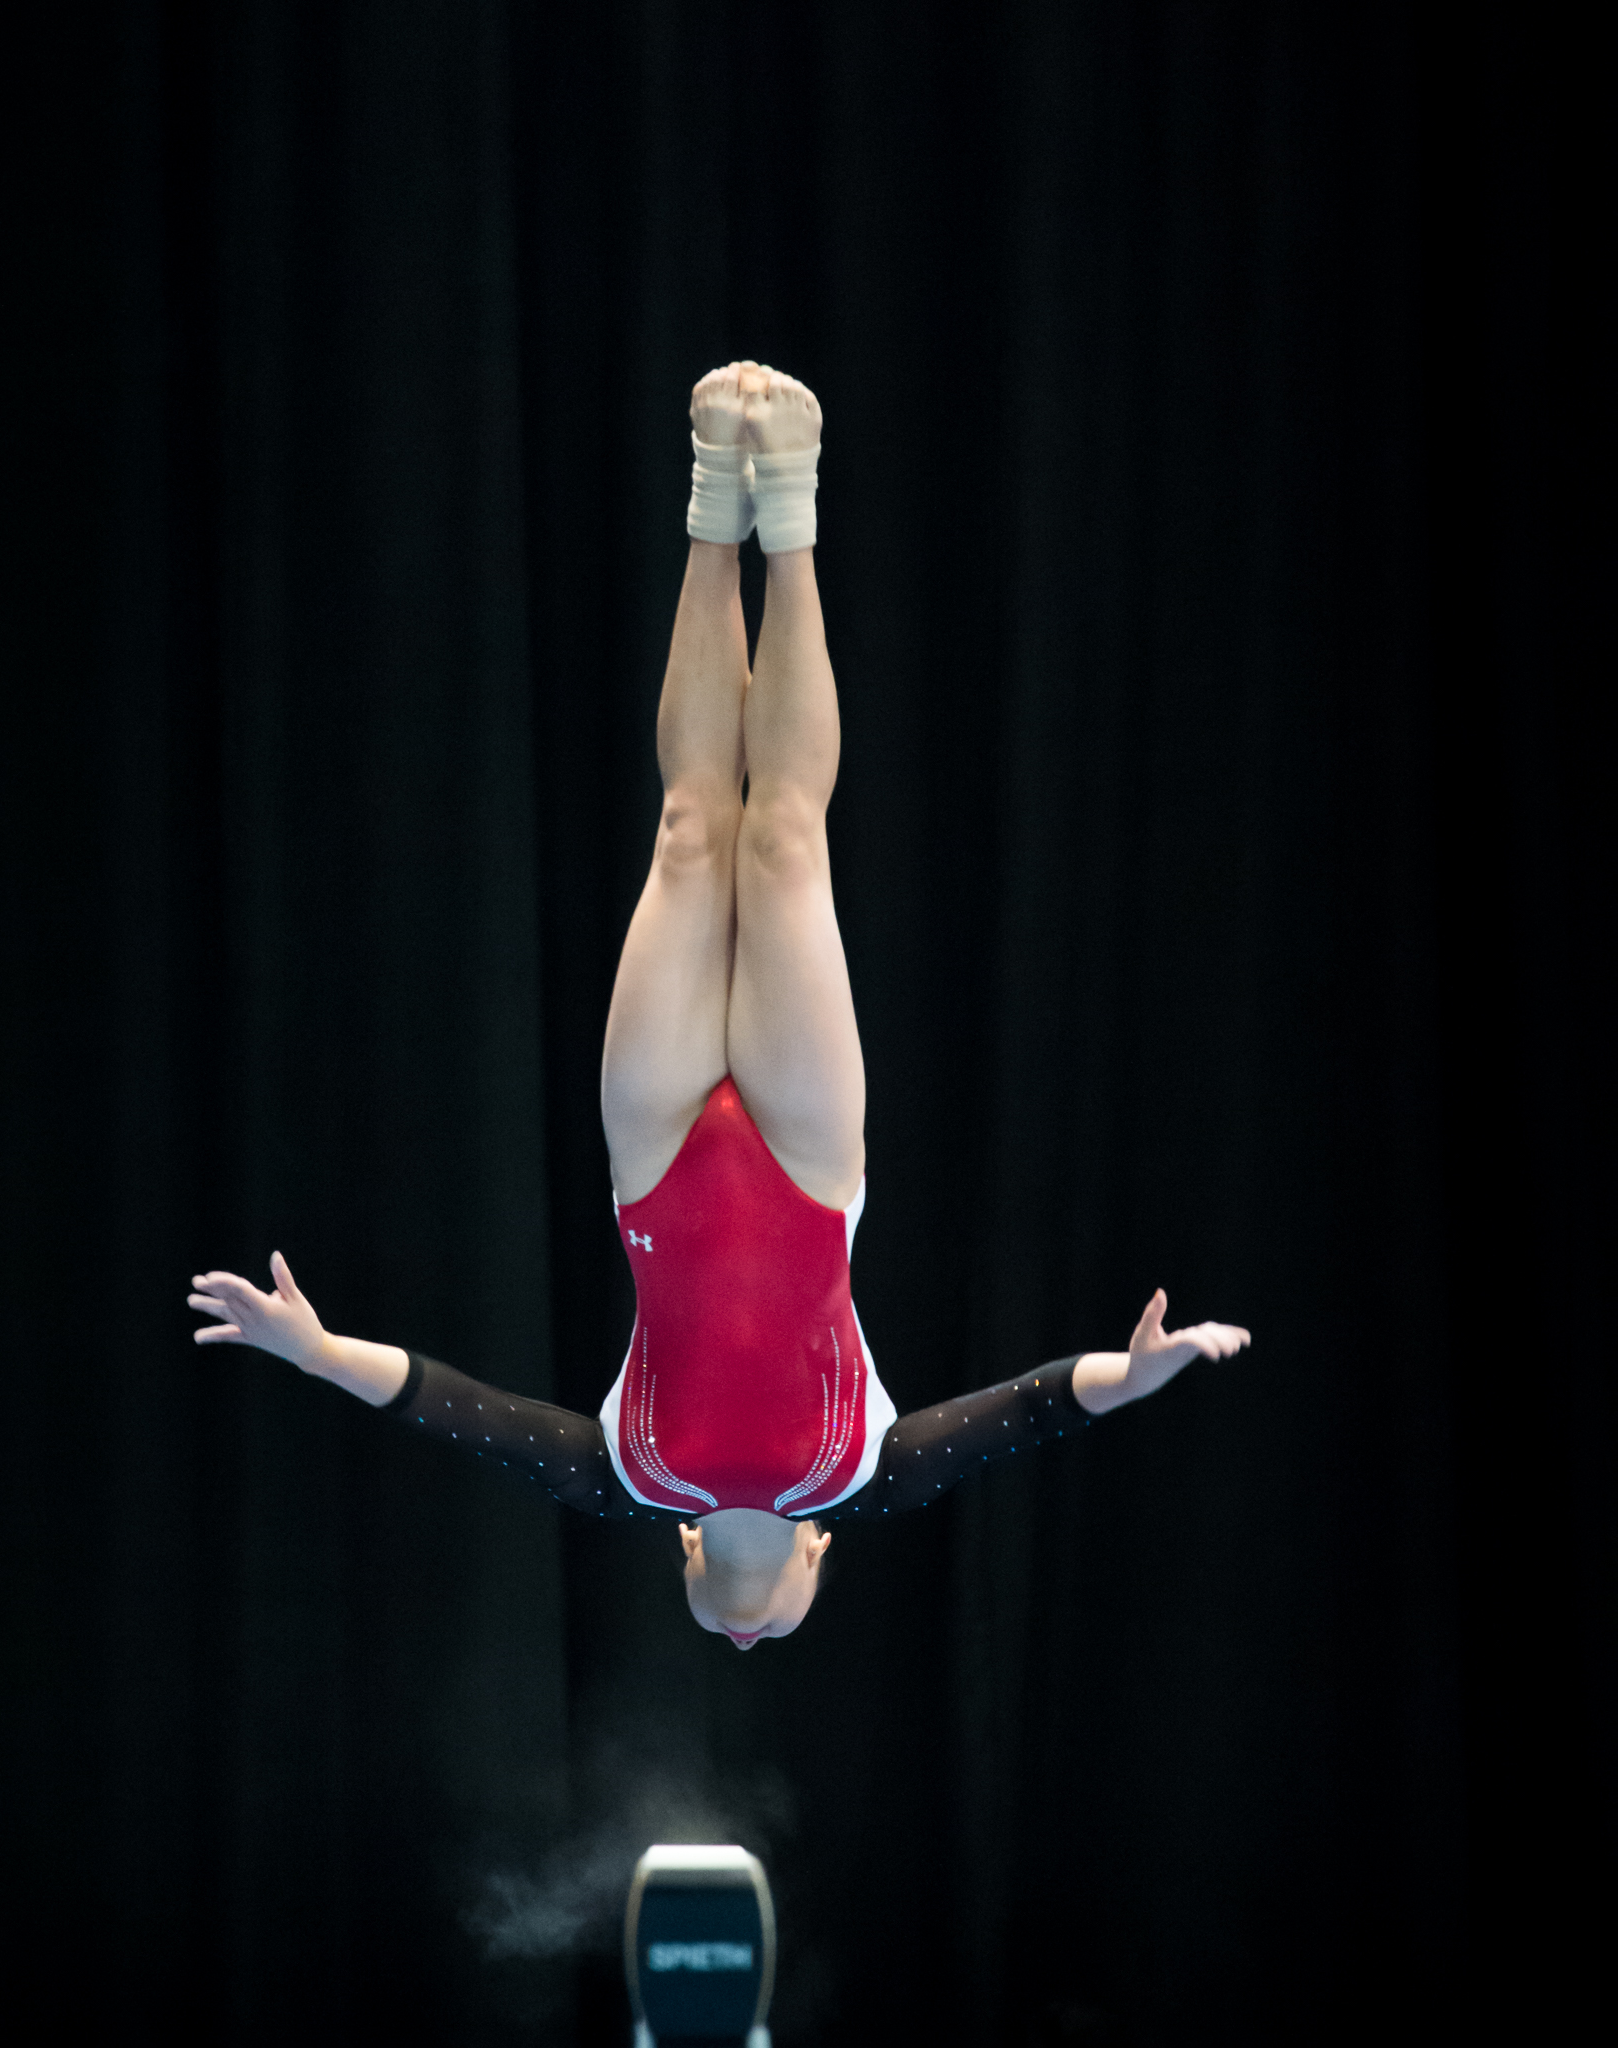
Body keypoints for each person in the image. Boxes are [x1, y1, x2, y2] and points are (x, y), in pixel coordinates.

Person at [189, 362, 1249, 1650]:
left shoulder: (626, 1477)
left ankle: (714, 498)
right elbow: (1029, 1412)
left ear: (691, 1548)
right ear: (819, 1552)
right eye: (770, 1626)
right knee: (784, 843)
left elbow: (448, 1405)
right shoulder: (870, 1472)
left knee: (695, 833)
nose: (747, 1632)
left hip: (654, 1153)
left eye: (732, 1629)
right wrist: (1134, 1378)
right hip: (808, 1165)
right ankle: (788, 508)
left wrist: (312, 1351)